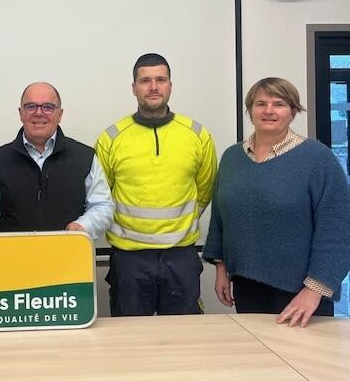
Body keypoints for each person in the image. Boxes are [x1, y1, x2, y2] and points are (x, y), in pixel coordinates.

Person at [203, 77, 350, 327]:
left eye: (279, 104)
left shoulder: (318, 159)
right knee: (255, 350)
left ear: (293, 111)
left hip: (299, 292)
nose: (268, 110)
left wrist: (314, 290)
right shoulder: (232, 157)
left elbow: (337, 230)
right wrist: (221, 268)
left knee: (300, 352)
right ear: (250, 110)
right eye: (261, 104)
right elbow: (220, 217)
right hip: (246, 285)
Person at [95, 53, 217, 316]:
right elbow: (101, 194)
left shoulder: (197, 134)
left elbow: (206, 189)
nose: (153, 87)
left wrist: (180, 224)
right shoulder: (111, 137)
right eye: (145, 81)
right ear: (134, 88)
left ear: (170, 85)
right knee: (130, 336)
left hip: (181, 256)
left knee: (184, 335)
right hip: (129, 259)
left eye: (160, 80)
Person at [0, 82, 113, 239]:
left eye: (48, 107)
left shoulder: (85, 157)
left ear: (60, 114)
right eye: (31, 106)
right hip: (14, 253)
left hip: (68, 251)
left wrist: (82, 226)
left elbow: (102, 206)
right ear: (21, 113)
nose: (39, 113)